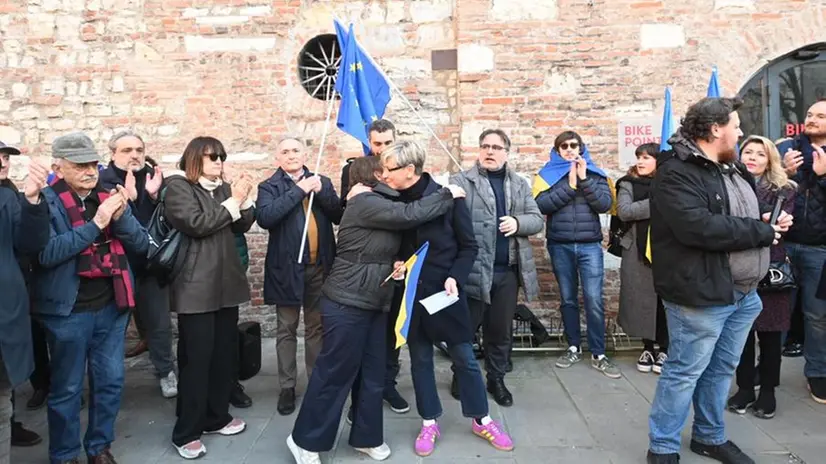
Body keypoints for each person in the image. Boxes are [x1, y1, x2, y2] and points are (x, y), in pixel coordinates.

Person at [286, 156, 466, 463]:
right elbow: (411, 214)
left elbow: (382, 241)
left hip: (375, 300)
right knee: (335, 372)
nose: (391, 176)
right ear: (372, 177)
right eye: (385, 171)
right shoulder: (364, 202)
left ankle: (366, 437)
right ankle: (304, 439)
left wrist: (394, 263)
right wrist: (448, 193)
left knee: (372, 372)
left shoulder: (376, 203)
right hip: (347, 300)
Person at [646, 98, 792, 464]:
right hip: (700, 295)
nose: (740, 132)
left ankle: (709, 437)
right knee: (684, 372)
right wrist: (760, 231)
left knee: (721, 369)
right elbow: (699, 227)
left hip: (744, 294)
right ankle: (662, 446)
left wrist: (766, 221)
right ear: (715, 129)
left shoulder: (732, 167)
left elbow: (732, 216)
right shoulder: (676, 171)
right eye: (736, 125)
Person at [379, 140, 513, 457]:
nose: (384, 174)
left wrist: (456, 275)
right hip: (413, 295)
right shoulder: (393, 201)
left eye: (389, 168)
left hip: (446, 293)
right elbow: (395, 246)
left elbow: (469, 247)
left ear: (409, 170)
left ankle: (481, 418)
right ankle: (429, 421)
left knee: (465, 359)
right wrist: (397, 263)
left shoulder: (450, 198)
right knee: (421, 361)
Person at [31, 132, 149, 464]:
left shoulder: (107, 196)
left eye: (93, 164)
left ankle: (99, 447)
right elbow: (48, 253)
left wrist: (122, 215)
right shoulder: (45, 201)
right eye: (79, 165)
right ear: (59, 166)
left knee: (110, 382)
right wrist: (98, 223)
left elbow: (141, 244)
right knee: (67, 389)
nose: (89, 171)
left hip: (111, 306)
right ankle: (65, 454)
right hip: (67, 311)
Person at [163, 137, 255, 459]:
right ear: (194, 159)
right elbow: (197, 224)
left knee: (223, 356)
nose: (219, 161)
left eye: (222, 156)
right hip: (195, 287)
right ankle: (186, 430)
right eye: (212, 156)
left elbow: (241, 224)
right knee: (196, 361)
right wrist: (233, 201)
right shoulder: (178, 188)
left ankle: (216, 417)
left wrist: (244, 199)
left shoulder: (224, 189)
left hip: (225, 285)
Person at [448, 129, 543, 406]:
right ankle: (461, 374)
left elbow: (536, 219)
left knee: (500, 331)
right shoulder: (462, 181)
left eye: (496, 147)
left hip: (507, 270)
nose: (490, 151)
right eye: (485, 146)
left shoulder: (520, 184)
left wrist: (517, 222)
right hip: (474, 270)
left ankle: (496, 378)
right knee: (465, 328)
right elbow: (449, 221)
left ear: (506, 152)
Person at [256, 136, 342, 416]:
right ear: (278, 158)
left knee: (316, 328)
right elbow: (266, 217)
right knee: (286, 328)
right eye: (285, 151)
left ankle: (316, 383)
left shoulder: (322, 180)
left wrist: (322, 192)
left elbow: (338, 215)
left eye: (296, 150)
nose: (291, 155)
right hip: (287, 270)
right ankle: (287, 386)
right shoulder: (269, 186)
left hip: (320, 267)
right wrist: (299, 190)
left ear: (305, 154)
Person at [534, 131, 621, 379]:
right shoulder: (547, 175)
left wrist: (583, 180)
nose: (570, 149)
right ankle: (573, 346)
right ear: (557, 150)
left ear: (581, 148)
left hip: (589, 246)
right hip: (560, 244)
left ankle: (598, 353)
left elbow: (604, 205)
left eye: (574, 145)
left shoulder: (595, 173)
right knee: (568, 299)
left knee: (594, 299)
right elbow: (541, 206)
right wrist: (570, 186)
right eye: (564, 146)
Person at [98, 131, 178, 399]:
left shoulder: (152, 176)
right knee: (113, 325)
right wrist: (128, 200)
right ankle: (107, 381)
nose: (134, 155)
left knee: (159, 322)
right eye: (127, 150)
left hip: (151, 264)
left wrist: (154, 198)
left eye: (139, 150)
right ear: (113, 154)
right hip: (116, 266)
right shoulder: (102, 181)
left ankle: (165, 371)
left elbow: (166, 219)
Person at [342, 119, 412, 418]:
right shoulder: (354, 170)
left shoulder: (405, 169)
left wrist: (405, 258)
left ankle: (387, 384)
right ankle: (360, 392)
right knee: (364, 333)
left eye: (387, 143)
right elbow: (344, 216)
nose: (382, 149)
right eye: (377, 144)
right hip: (367, 265)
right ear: (369, 143)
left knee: (394, 329)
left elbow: (411, 217)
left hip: (398, 260)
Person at [727, 136, 797, 419]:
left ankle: (768, 391)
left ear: (770, 160)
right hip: (740, 266)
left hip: (773, 267)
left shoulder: (785, 189)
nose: (752, 157)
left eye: (760, 153)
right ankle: (745, 388)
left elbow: (783, 226)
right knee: (742, 334)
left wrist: (771, 222)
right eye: (747, 152)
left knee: (771, 334)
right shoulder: (728, 185)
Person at [0, 149, 50, 462]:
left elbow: (31, 243)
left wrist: (32, 201)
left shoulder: (7, 198)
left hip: (5, 311)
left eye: (5, 156)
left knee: (2, 398)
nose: (3, 161)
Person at [777, 99, 826, 404]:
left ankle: (818, 373)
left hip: (819, 249)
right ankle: (764, 371)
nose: (812, 119)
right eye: (809, 114)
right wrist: (785, 173)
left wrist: (823, 176)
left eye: (821, 116)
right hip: (782, 243)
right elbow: (764, 191)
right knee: (774, 311)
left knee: (817, 315)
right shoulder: (786, 150)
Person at [616, 143, 669, 374]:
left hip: (666, 248)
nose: (641, 161)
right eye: (639, 157)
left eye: (647, 157)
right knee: (642, 300)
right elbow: (625, 211)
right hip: (636, 251)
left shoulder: (670, 184)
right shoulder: (627, 183)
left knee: (665, 300)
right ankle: (647, 347)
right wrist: (659, 202)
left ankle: (665, 348)